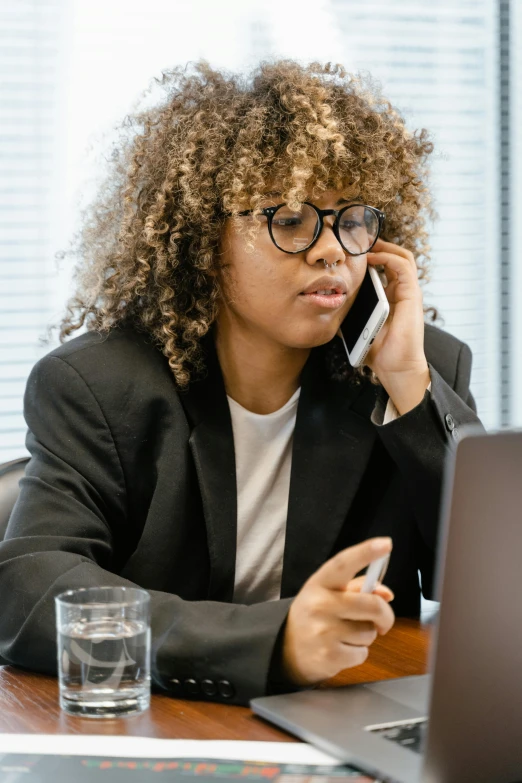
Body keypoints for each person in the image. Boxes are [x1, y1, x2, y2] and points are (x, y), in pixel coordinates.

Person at [0, 60, 482, 705]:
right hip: (167, 719)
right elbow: (30, 587)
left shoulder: (413, 370)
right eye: (289, 220)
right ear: (203, 241)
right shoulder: (99, 385)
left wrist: (409, 386)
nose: (331, 250)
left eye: (353, 220)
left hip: (353, 710)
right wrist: (271, 638)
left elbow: (497, 580)